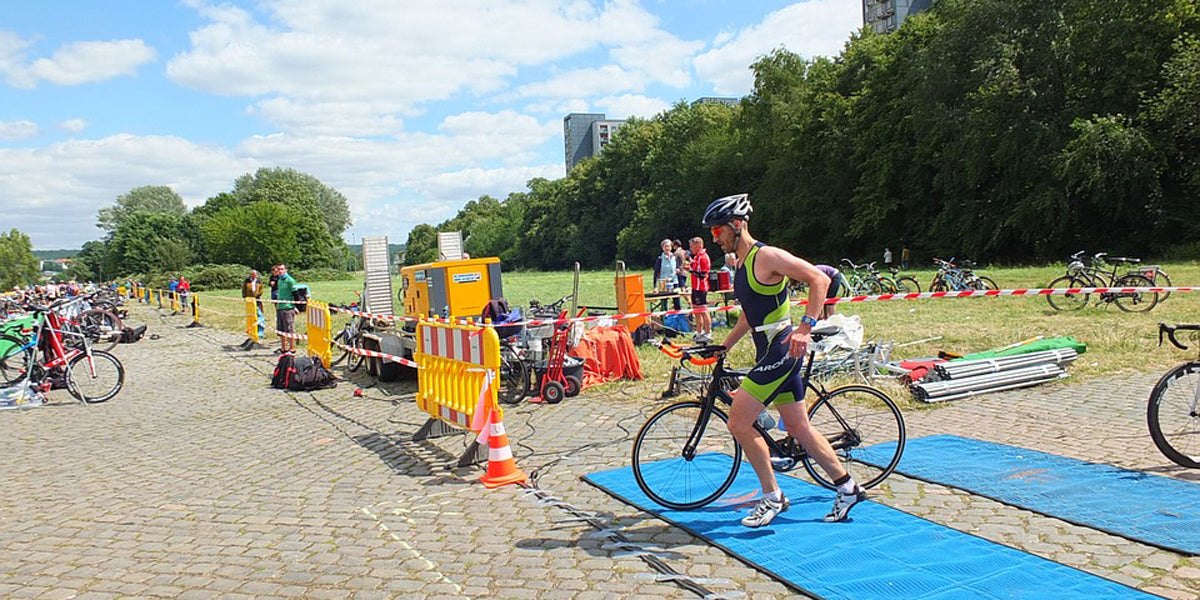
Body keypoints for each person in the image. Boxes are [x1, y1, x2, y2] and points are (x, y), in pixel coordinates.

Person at [704, 193, 866, 527]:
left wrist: (805, 328)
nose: (714, 238)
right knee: (798, 427)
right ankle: (847, 487)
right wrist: (725, 346)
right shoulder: (741, 264)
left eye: (718, 231)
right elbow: (748, 316)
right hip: (770, 351)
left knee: (738, 423)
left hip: (781, 350)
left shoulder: (766, 256)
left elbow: (820, 279)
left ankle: (772, 496)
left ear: (737, 224)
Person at [688, 237, 712, 343]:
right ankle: (699, 332)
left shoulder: (703, 257)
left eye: (692, 246)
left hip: (701, 288)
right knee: (696, 310)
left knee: (703, 310)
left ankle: (708, 332)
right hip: (695, 287)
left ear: (698, 245)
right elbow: (694, 268)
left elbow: (703, 275)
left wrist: (690, 271)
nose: (691, 248)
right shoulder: (697, 257)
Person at [273, 264, 299, 354]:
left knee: (289, 328)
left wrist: (296, 307)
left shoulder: (290, 280)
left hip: (288, 307)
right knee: (281, 329)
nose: (280, 271)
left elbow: (296, 294)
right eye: (279, 269)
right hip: (280, 307)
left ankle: (292, 348)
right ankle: (283, 347)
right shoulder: (279, 280)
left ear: (286, 270)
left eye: (282, 269)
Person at [242, 269, 266, 339]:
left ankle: (260, 333)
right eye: (252, 274)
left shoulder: (259, 281)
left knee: (260, 315)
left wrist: (256, 295)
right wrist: (245, 297)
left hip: (257, 300)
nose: (254, 275)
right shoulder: (247, 281)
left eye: (255, 274)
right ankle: (251, 331)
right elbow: (244, 289)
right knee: (251, 316)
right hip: (249, 300)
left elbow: (261, 290)